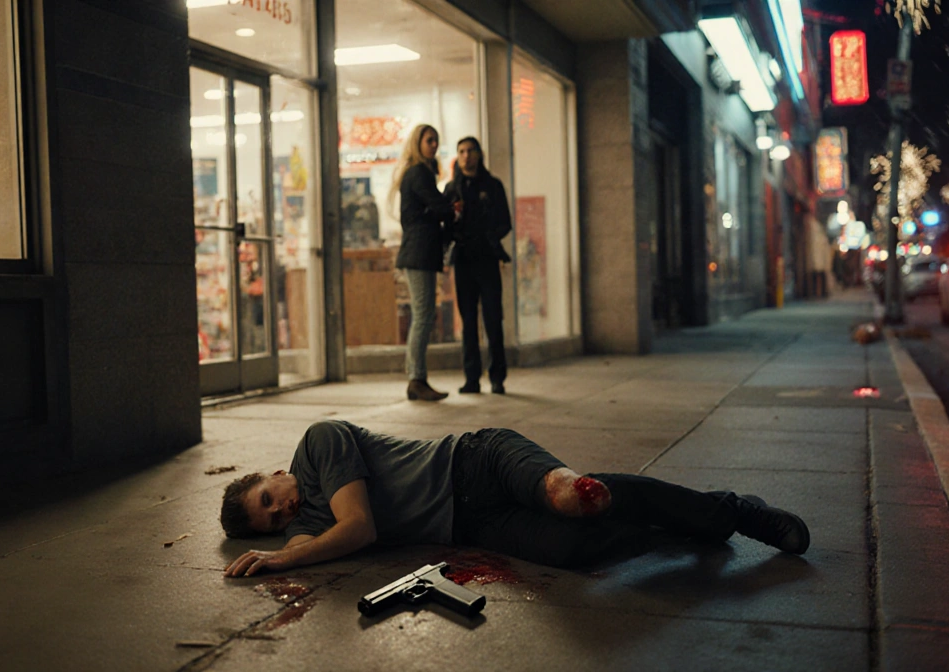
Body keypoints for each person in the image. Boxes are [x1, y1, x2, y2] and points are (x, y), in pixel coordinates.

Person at [220, 420, 810, 578]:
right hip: (473, 525)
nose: (281, 512)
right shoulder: (306, 531)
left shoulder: (320, 445)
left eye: (270, 497)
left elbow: (359, 530)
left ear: (276, 472)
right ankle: (688, 520)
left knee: (572, 499)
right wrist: (286, 551)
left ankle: (735, 511)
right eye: (269, 522)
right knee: (575, 550)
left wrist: (288, 554)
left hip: (480, 461)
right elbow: (315, 543)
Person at [388, 124, 457, 402]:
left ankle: (417, 377)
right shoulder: (418, 173)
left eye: (436, 141)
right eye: (429, 140)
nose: (434, 145)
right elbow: (439, 206)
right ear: (417, 143)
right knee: (423, 315)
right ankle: (416, 378)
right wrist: (450, 208)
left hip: (422, 252)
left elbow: (434, 207)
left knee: (424, 314)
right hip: (418, 253)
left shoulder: (421, 172)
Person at [443, 137, 511, 394]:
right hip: (463, 261)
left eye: (470, 150)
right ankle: (472, 377)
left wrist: (490, 237)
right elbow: (445, 224)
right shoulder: (452, 189)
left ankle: (497, 377)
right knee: (468, 321)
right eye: (461, 151)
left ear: (479, 154)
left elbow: (506, 221)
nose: (466, 155)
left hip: (488, 260)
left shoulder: (493, 186)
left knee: (493, 319)